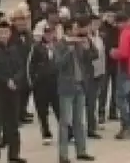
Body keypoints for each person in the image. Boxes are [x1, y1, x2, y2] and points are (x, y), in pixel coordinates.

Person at [54, 17, 97, 163]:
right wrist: (68, 52)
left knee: (79, 121)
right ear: (68, 30)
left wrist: (89, 45)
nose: (77, 30)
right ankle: (63, 155)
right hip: (66, 87)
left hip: (80, 85)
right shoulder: (60, 44)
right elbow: (58, 64)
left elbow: (93, 56)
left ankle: (81, 151)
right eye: (75, 28)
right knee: (65, 122)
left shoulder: (79, 42)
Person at [0, 20, 26, 163]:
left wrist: (15, 80)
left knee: (13, 123)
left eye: (6, 32)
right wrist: (6, 81)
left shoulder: (15, 50)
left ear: (10, 34)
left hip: (13, 92)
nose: (3, 35)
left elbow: (21, 68)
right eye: (1, 33)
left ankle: (14, 154)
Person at [109, 12, 130, 140]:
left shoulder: (126, 33)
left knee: (120, 98)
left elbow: (123, 53)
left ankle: (126, 125)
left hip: (126, 69)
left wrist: (113, 52)